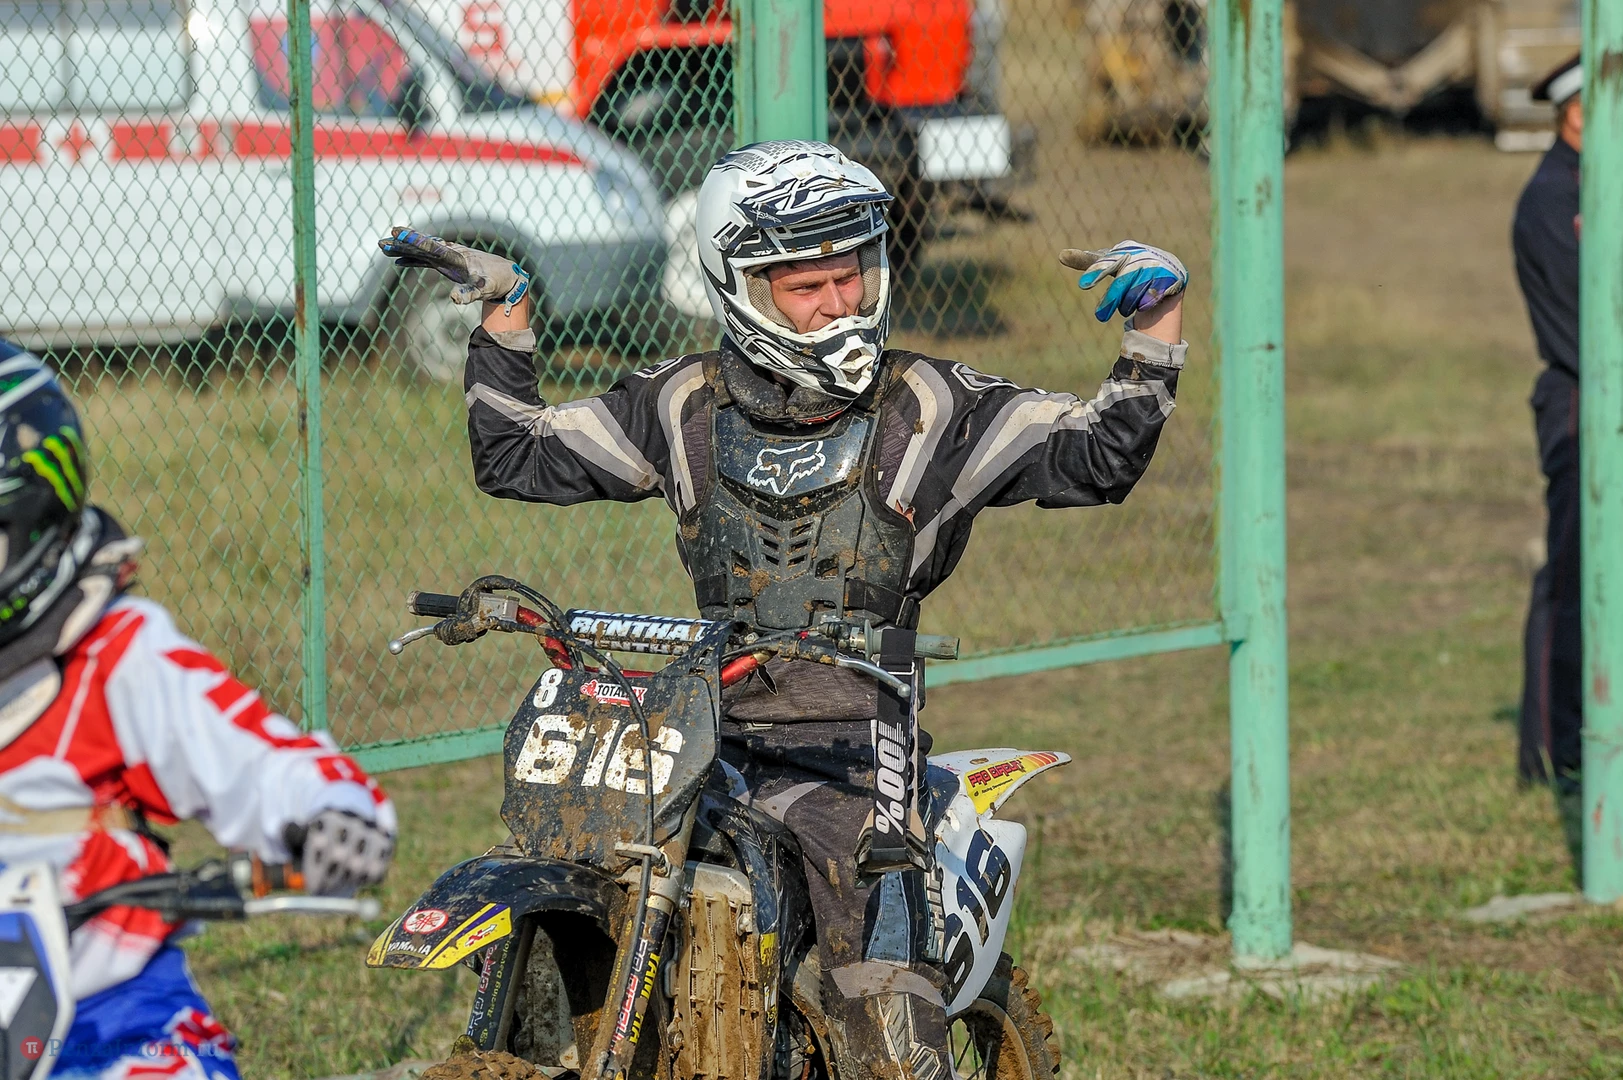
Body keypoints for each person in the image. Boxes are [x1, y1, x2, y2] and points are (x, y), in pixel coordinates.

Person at [379, 140, 1187, 1080]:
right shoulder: (682, 404)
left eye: (852, 275)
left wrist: (1154, 328)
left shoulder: (932, 407)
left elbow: (1097, 457)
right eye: (806, 286)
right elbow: (516, 456)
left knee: (880, 1009)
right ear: (740, 289)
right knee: (601, 864)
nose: (838, 303)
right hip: (703, 728)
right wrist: (505, 313)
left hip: (855, 744)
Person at [0, 340, 397, 1080]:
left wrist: (331, 811)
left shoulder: (115, 656)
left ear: (30, 521)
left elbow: (259, 760)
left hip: (111, 1021)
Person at [1514, 53, 1583, 849]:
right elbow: (1581, 327)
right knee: (1568, 576)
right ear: (1576, 112)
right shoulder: (1550, 200)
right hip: (1579, 402)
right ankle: (1549, 750)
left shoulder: (1592, 188)